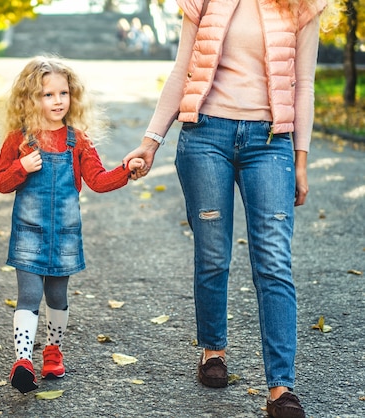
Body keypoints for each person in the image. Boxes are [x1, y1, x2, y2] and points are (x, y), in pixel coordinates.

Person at [122, 0, 330, 416]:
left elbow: (303, 84)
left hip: (270, 143)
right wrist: (151, 141)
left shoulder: (303, 4)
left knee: (274, 260)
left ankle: (281, 388)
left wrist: (301, 162)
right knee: (213, 255)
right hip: (205, 137)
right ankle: (213, 351)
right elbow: (182, 68)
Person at [0, 56, 146, 394]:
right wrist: (21, 166)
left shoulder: (78, 140)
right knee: (29, 294)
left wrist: (127, 169)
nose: (58, 101)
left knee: (57, 295)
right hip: (29, 232)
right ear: (30, 98)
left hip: (64, 234)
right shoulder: (19, 140)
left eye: (63, 93)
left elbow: (99, 180)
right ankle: (23, 361)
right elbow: (1, 182)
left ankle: (53, 350)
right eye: (48, 95)